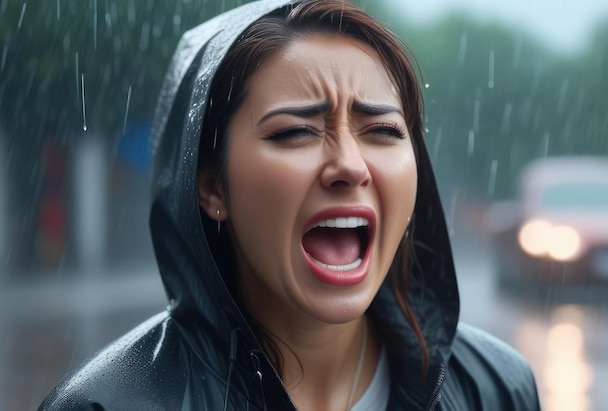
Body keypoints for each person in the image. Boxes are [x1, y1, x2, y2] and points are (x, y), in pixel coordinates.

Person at [40, 0, 542, 409]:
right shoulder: (108, 405)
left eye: (384, 130)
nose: (350, 165)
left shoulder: (496, 389)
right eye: (295, 131)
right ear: (211, 185)